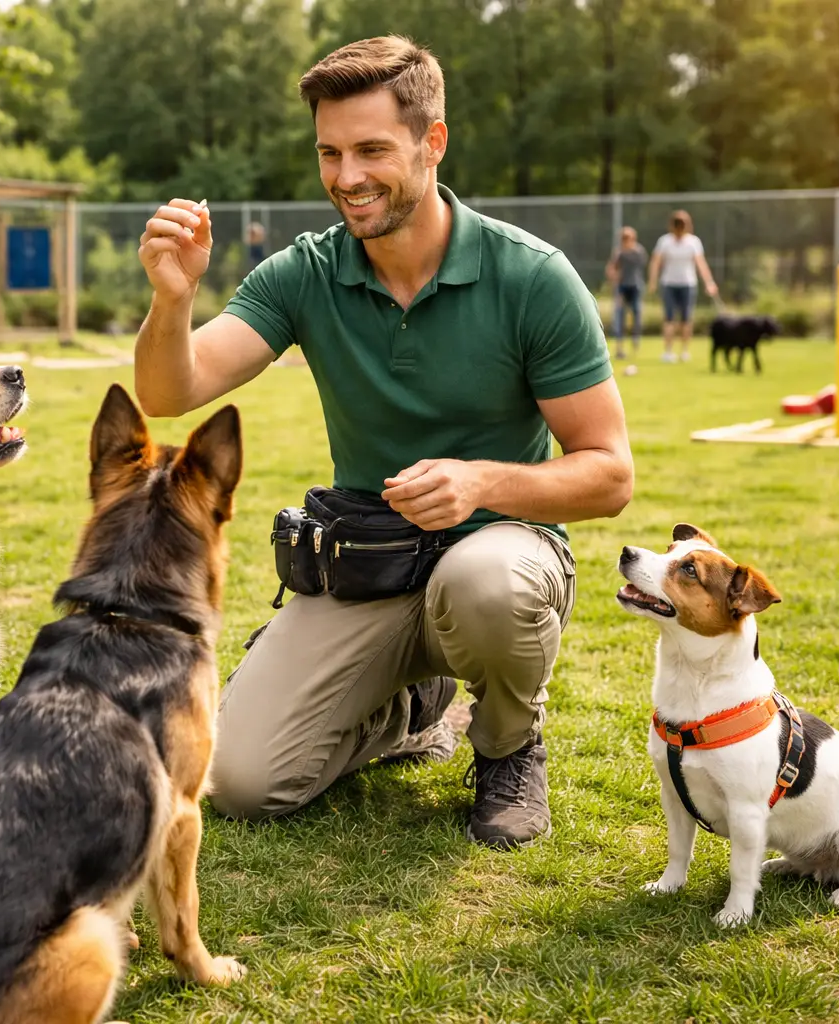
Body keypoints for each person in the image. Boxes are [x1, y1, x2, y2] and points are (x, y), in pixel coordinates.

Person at [132, 36, 633, 849]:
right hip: (367, 561)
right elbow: (167, 391)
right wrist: (173, 299)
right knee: (239, 782)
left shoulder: (533, 277)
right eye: (329, 152)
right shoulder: (304, 273)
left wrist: (478, 485)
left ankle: (508, 747)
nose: (346, 176)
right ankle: (410, 709)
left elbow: (609, 476)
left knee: (486, 583)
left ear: (432, 143)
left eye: (371, 150)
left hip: (497, 551)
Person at [647, 209, 718, 363]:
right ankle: (668, 351)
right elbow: (656, 262)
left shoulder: (693, 242)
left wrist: (709, 282)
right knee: (669, 318)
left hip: (688, 284)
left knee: (686, 319)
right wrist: (652, 281)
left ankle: (684, 351)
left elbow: (701, 264)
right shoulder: (664, 241)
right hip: (669, 284)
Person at [604, 226, 647, 361]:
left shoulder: (638, 252)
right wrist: (613, 276)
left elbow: (642, 265)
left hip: (635, 287)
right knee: (620, 315)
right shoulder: (619, 253)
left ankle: (635, 343)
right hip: (622, 287)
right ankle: (619, 348)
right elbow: (612, 268)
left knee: (636, 314)